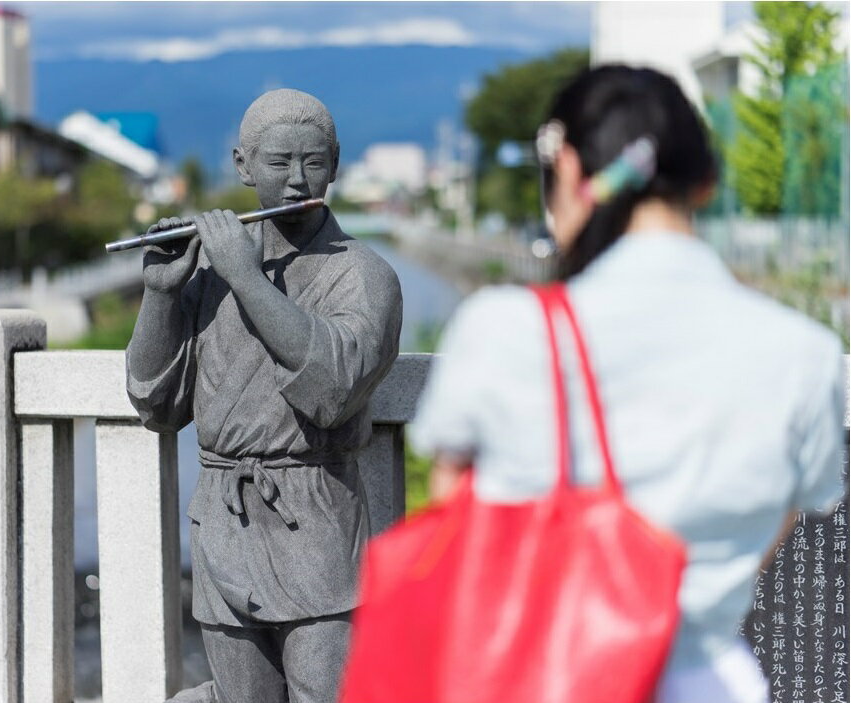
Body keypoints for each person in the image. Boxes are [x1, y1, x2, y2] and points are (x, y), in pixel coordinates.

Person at [409, 65, 845, 703]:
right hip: (707, 681)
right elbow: (781, 519)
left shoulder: (504, 332)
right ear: (706, 183)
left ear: (567, 171)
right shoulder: (806, 355)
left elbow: (453, 513)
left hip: (536, 676)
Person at [126, 89, 402, 703]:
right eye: (278, 164)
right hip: (225, 520)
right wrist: (163, 295)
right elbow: (154, 403)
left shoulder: (363, 275)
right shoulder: (208, 275)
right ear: (243, 165)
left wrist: (246, 278)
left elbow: (332, 389)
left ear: (335, 164)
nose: (297, 181)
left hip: (318, 522)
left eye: (313, 162)